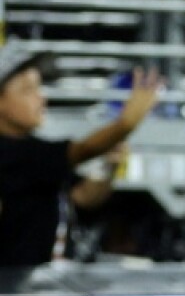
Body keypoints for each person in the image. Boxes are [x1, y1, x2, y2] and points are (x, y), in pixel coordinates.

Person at [0, 43, 161, 267]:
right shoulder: (9, 154)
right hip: (14, 293)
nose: (41, 98)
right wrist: (126, 123)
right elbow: (81, 150)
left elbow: (83, 197)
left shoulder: (34, 150)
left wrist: (109, 166)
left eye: (40, 87)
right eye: (28, 90)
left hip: (42, 286)